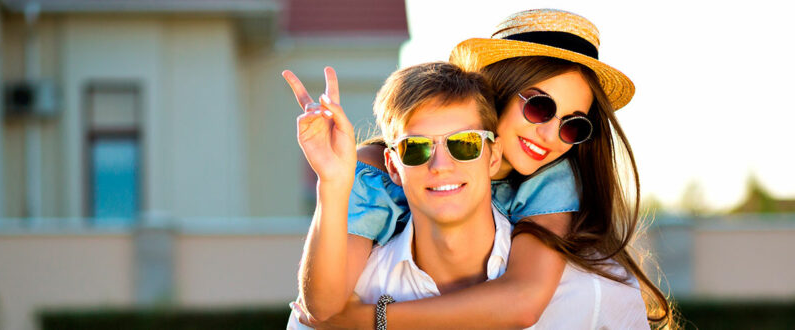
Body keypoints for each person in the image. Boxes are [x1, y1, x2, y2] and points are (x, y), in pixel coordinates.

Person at [284, 8, 674, 329]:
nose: (550, 134)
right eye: (540, 107)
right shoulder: (378, 175)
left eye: (573, 125)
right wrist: (334, 184)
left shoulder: (553, 180)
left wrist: (371, 321)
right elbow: (322, 305)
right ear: (498, 91)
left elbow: (523, 300)